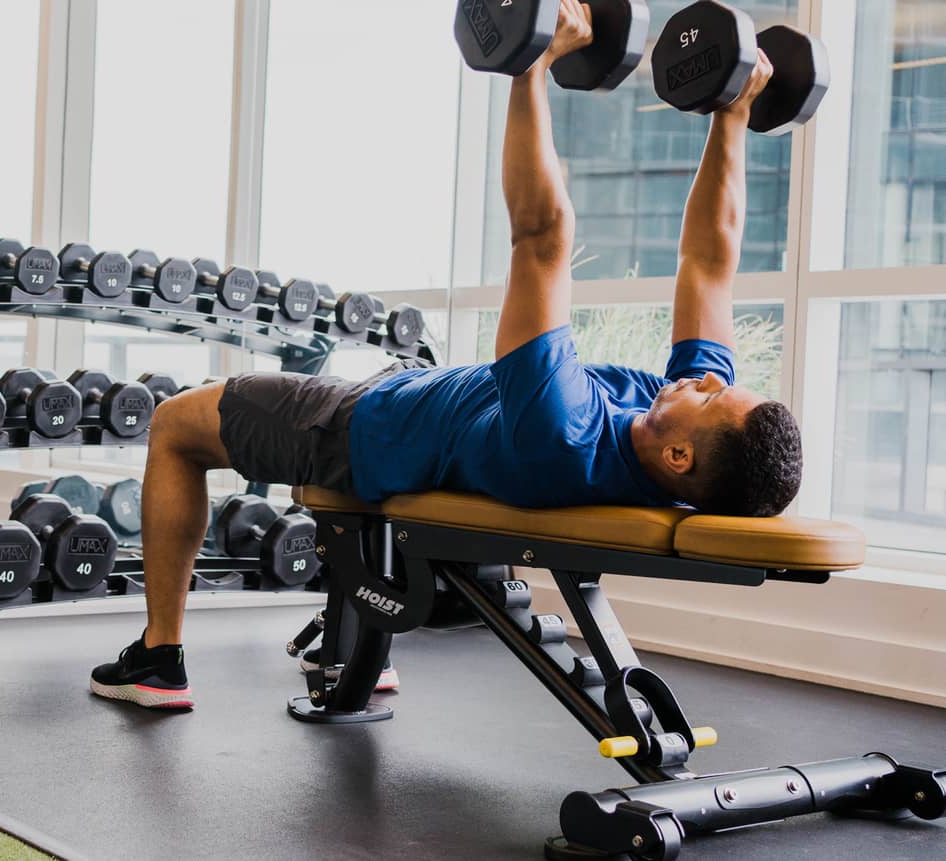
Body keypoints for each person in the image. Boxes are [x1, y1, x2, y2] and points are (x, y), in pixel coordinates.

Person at [89, 0, 803, 710]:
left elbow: (541, 234)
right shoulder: (675, 437)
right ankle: (347, 645)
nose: (708, 377)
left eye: (713, 394)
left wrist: (530, 66)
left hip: (353, 430)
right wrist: (732, 116)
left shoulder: (566, 431)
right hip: (415, 404)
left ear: (681, 459)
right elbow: (710, 262)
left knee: (176, 425)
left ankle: (158, 656)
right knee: (397, 377)